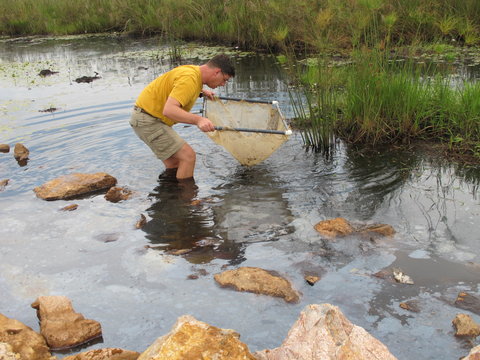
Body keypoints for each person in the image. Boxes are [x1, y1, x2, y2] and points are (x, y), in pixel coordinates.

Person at [130, 54, 235, 180]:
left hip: (144, 117)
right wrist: (199, 120)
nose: (223, 84)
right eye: (224, 79)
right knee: (188, 156)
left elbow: (181, 86)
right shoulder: (189, 79)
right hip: (148, 121)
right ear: (217, 72)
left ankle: (171, 196)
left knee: (175, 164)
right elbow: (169, 110)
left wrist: (201, 92)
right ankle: (186, 198)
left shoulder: (193, 72)